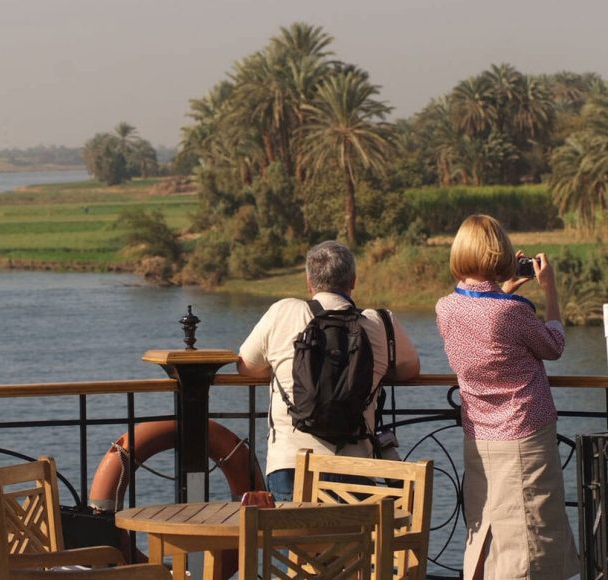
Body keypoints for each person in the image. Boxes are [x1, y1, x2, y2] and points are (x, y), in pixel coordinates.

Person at [435, 215, 580, 579]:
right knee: (531, 533)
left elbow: (484, 319)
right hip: (524, 434)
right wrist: (549, 291)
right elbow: (554, 346)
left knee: (489, 527)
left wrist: (504, 289)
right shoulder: (512, 312)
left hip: (479, 435)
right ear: (498, 255)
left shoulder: (445, 308)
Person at [237, 240, 420, 501]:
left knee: (293, 539)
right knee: (351, 539)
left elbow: (245, 366)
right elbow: (410, 369)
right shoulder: (380, 323)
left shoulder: (283, 312)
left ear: (309, 282)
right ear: (353, 281)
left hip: (291, 463)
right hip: (354, 466)